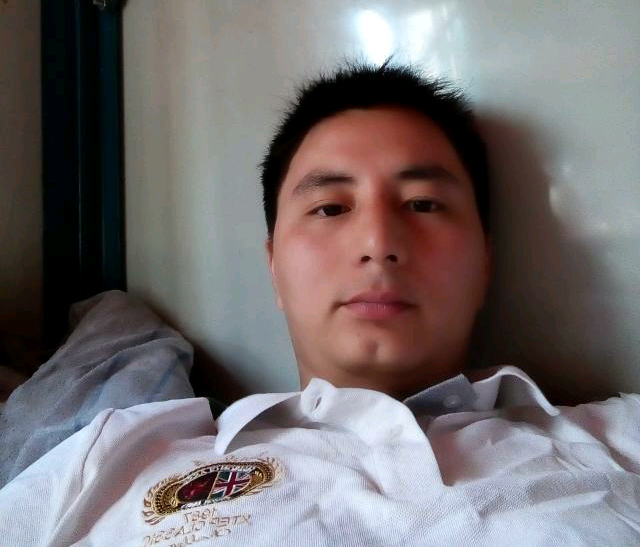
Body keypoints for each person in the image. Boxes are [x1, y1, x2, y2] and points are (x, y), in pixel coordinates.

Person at [0, 62, 639, 546]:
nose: (378, 243)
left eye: (423, 204)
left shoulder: (620, 442)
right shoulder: (115, 454)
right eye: (331, 208)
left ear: (485, 262)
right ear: (275, 267)